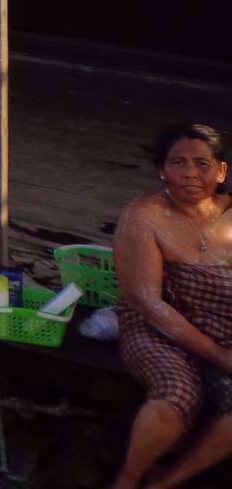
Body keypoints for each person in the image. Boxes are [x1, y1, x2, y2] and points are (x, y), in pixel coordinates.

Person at [113, 123, 232, 489]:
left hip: (224, 329)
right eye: (178, 162)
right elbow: (147, 301)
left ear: (222, 171)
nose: (191, 174)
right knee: (175, 395)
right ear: (162, 170)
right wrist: (218, 355)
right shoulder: (143, 214)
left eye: (202, 163)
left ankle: (165, 482)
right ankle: (127, 482)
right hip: (157, 328)